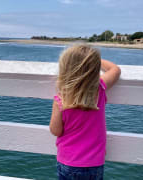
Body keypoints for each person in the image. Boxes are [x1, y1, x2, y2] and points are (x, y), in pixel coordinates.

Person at [49, 45, 121, 180]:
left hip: (68, 162)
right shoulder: (99, 89)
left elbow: (56, 130)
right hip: (94, 163)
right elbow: (115, 70)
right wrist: (95, 61)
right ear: (94, 69)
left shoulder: (61, 100)